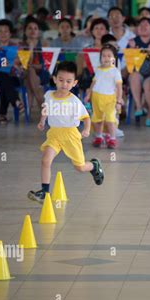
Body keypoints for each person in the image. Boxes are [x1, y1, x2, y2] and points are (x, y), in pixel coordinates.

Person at [27, 61, 104, 204]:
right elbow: (46, 108)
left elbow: (86, 117)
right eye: (61, 80)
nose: (64, 84)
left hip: (71, 136)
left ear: (74, 83)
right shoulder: (49, 95)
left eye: (68, 81)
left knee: (80, 167)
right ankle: (44, 192)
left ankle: (94, 165)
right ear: (55, 79)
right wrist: (42, 121)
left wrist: (86, 129)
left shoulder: (74, 101)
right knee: (45, 161)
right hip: (54, 134)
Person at [127, 17, 150, 126]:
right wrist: (132, 52)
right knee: (134, 76)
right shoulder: (133, 42)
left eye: (146, 25)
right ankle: (139, 107)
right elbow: (128, 64)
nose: (143, 27)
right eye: (140, 25)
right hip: (138, 72)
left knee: (148, 84)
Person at [84, 45, 123, 149]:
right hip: (97, 97)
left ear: (114, 58)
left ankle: (112, 138)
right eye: (104, 56)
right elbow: (94, 82)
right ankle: (99, 136)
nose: (106, 58)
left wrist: (119, 101)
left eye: (109, 56)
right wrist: (89, 94)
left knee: (110, 119)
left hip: (110, 99)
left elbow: (119, 87)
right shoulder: (98, 69)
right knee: (97, 119)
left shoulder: (115, 71)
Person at [0, 19, 24, 124]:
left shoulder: (17, 46)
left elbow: (19, 62)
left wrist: (4, 61)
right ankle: (16, 102)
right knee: (3, 77)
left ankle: (2, 114)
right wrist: (10, 62)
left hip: (13, 76)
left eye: (6, 31)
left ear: (10, 33)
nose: (3, 34)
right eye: (0, 31)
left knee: (7, 81)